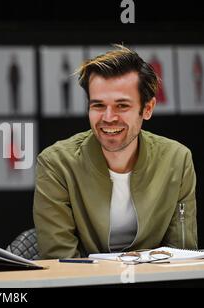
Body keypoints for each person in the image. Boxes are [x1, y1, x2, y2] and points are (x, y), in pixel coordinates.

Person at [33, 45, 198, 259]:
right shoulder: (57, 163)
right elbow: (62, 262)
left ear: (147, 109)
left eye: (122, 106)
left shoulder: (177, 159)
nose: (108, 117)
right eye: (99, 105)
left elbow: (182, 255)